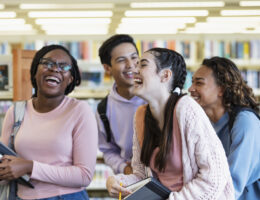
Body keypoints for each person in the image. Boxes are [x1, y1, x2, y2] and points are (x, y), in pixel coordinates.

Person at [106, 48, 235, 199]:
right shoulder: (140, 115)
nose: (135, 69)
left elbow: (214, 178)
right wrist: (116, 181)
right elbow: (141, 176)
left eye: (143, 64)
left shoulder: (187, 109)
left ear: (165, 75)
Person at [0, 44, 98, 199]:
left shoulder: (79, 110)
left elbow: (84, 175)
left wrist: (30, 167)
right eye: (47, 63)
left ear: (70, 79)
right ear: (34, 72)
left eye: (64, 66)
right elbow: (4, 161)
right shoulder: (16, 111)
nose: (55, 69)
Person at [189, 56, 260, 200]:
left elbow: (232, 185)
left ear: (221, 89)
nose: (191, 89)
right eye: (192, 83)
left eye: (199, 83)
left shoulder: (245, 122)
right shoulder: (205, 123)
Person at [97, 34, 146, 174]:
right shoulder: (103, 109)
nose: (131, 65)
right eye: (121, 60)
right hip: (130, 179)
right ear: (107, 68)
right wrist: (125, 168)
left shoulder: (156, 98)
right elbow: (108, 151)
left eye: (134, 57)